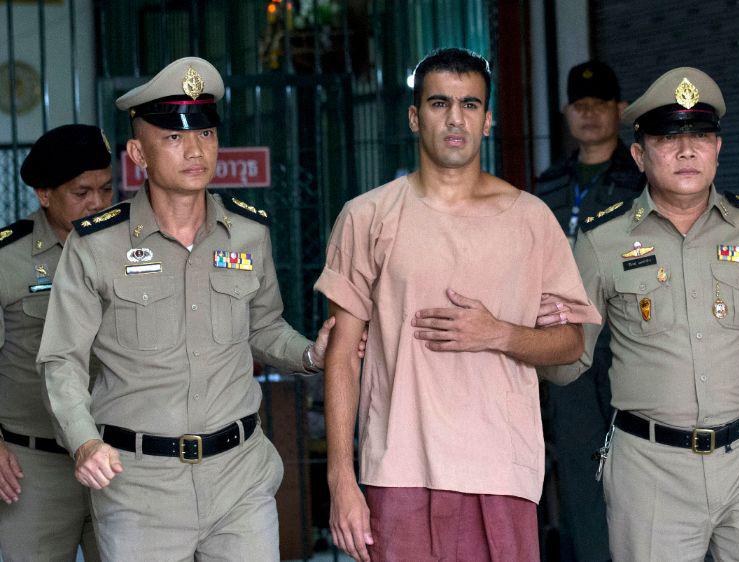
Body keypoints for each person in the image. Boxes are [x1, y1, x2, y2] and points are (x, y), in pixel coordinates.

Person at [35, 56, 359, 561]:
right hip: (140, 488)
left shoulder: (248, 233)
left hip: (239, 479)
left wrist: (309, 354)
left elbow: (263, 327)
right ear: (138, 154)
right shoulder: (96, 245)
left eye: (205, 134)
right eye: (173, 137)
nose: (194, 150)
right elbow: (62, 359)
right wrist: (83, 442)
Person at [315, 47, 601, 562]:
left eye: (470, 105)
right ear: (414, 117)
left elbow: (571, 343)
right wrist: (341, 480)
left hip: (501, 470)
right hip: (398, 469)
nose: (455, 118)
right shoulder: (367, 216)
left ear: (487, 120)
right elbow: (342, 354)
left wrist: (499, 333)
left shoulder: (530, 219)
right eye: (439, 103)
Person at [541, 67, 739, 561]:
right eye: (667, 138)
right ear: (639, 155)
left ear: (718, 148)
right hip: (650, 473)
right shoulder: (601, 241)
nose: (686, 151)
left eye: (699, 136)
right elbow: (570, 363)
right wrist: (536, 335)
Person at [534, 60, 642, 562]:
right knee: (579, 469)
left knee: (638, 462)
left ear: (621, 110)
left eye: (600, 104)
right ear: (566, 112)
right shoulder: (548, 184)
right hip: (567, 342)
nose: (590, 114)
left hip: (628, 340)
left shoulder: (642, 178)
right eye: (580, 105)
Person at [0, 124, 113, 561]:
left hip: (116, 458)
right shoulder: (8, 260)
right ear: (45, 195)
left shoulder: (128, 250)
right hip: (33, 470)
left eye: (105, 189)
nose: (97, 203)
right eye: (81, 192)